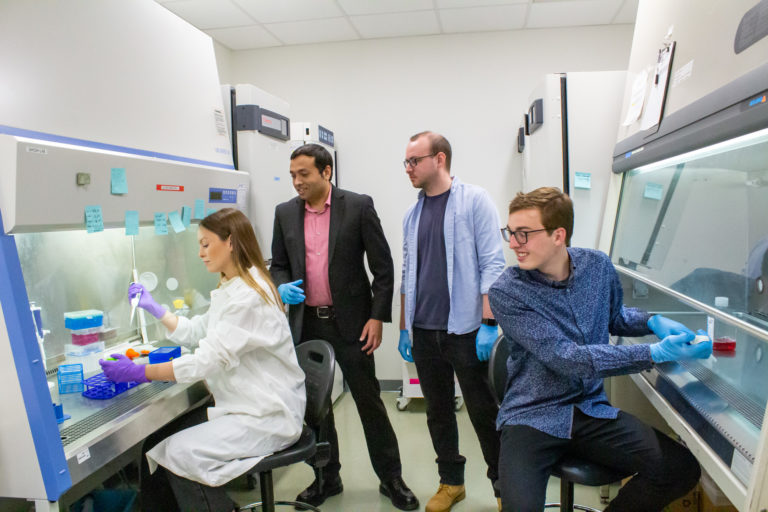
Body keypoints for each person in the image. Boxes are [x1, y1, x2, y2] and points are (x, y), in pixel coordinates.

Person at [488, 187, 713, 512]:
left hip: (589, 409)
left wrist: (652, 321)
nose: (513, 244)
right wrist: (653, 354)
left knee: (679, 469)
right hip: (532, 415)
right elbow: (567, 358)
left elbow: (615, 317)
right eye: (510, 233)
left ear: (558, 235)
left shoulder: (597, 267)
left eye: (523, 234)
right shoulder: (508, 292)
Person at [99, 208, 306, 512]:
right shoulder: (233, 285)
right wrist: (156, 309)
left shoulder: (248, 296)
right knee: (156, 444)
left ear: (230, 242)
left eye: (206, 244)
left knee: (179, 454)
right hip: (244, 404)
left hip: (266, 414)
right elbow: (198, 330)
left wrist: (139, 372)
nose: (200, 253)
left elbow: (206, 361)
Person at [270, 143, 418, 510]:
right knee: (316, 408)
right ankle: (326, 478)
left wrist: (376, 318)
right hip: (307, 324)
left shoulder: (358, 206)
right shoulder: (285, 213)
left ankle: (391, 478)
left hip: (352, 324)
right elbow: (279, 264)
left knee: (369, 402)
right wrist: (280, 285)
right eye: (292, 175)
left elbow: (383, 269)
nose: (297, 182)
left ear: (326, 172)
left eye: (304, 174)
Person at [398, 131, 506, 512]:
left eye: (414, 160)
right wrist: (404, 328)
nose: (408, 168)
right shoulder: (412, 215)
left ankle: (504, 488)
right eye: (406, 162)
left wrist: (489, 323)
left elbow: (493, 263)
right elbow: (407, 274)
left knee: (484, 412)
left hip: (467, 330)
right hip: (424, 330)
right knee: (438, 412)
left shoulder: (474, 200)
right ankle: (451, 483)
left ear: (439, 159)